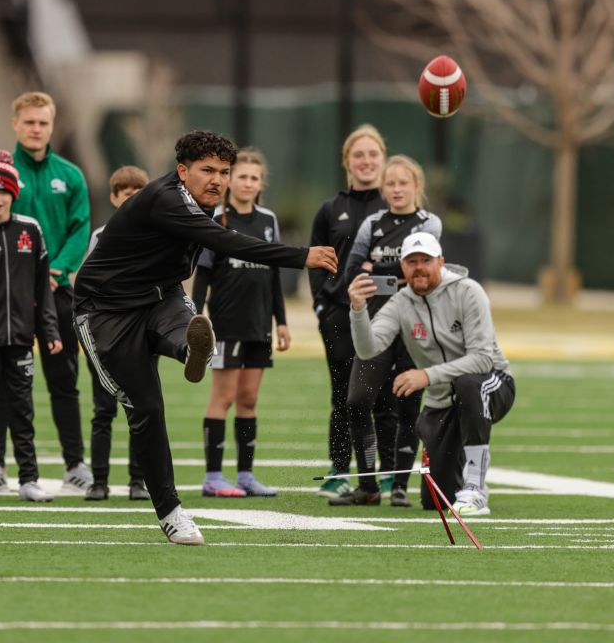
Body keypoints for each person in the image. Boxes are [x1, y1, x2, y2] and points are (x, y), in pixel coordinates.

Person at [74, 130, 338, 545]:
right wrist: (300, 256)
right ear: (182, 171)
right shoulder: (168, 199)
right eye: (207, 170)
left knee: (188, 328)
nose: (218, 180)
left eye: (224, 172)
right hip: (105, 311)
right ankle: (171, 512)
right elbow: (226, 243)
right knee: (146, 409)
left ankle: (190, 350)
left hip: (162, 296)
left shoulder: (202, 205)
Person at [347, 231, 515, 515]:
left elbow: (483, 360)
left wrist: (426, 375)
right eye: (411, 262)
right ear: (402, 267)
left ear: (441, 262)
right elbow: (368, 349)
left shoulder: (468, 291)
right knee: (435, 502)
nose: (419, 268)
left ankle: (475, 488)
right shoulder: (400, 302)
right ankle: (458, 471)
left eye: (426, 260)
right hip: (442, 401)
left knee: (468, 384)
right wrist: (358, 309)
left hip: (492, 384)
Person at [0, 91, 93, 493]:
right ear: (15, 124)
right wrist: (24, 276)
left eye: (43, 122)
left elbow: (81, 228)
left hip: (57, 292)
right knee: (5, 384)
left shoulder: (71, 175)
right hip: (11, 298)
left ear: (52, 125)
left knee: (64, 380)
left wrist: (57, 268)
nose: (36, 129)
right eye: (29, 122)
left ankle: (75, 465)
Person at [330, 155, 442, 507]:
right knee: (358, 401)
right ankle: (368, 485)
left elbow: (418, 270)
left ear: (416, 186)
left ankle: (400, 487)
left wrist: (377, 269)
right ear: (383, 188)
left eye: (403, 183)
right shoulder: (373, 224)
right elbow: (351, 273)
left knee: (408, 407)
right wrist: (388, 272)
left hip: (415, 326)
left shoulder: (429, 223)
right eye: (390, 184)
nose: (396, 189)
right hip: (376, 324)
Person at [0, 154, 63, 502]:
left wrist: (49, 332)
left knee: (22, 410)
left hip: (20, 339)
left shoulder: (30, 231)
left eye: (4, 193)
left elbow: (41, 291)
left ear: (14, 194)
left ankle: (29, 479)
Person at [191, 148, 286, 498]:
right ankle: (213, 477)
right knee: (224, 397)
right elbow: (202, 272)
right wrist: (196, 314)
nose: (247, 183)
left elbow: (274, 273)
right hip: (226, 325)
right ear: (230, 180)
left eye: (253, 178)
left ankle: (245, 474)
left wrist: (282, 322)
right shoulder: (216, 220)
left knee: (249, 399)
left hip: (259, 324)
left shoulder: (268, 220)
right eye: (241, 176)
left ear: (261, 184)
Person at [309, 125, 387, 498]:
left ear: (383, 161)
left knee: (387, 395)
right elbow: (315, 261)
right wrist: (321, 305)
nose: (367, 161)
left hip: (387, 315)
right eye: (359, 154)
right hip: (340, 315)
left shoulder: (396, 207)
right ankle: (339, 469)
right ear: (347, 162)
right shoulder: (331, 210)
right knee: (342, 395)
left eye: (373, 154)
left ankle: (389, 471)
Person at [81, 165, 151, 502]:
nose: (132, 202)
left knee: (141, 409)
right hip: (106, 336)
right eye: (126, 197)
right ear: (114, 198)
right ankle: (99, 481)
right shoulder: (100, 237)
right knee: (103, 410)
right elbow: (88, 284)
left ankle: (139, 480)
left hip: (140, 336)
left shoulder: (157, 235)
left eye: (139, 196)